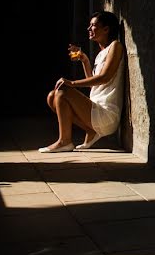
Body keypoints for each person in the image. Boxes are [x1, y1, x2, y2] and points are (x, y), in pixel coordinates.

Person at [39, 11, 124, 153]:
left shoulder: (116, 46)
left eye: (93, 25)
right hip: (95, 110)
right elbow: (94, 84)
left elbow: (105, 77)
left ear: (106, 29)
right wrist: (84, 60)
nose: (89, 29)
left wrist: (72, 84)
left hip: (106, 114)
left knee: (63, 91)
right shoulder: (100, 54)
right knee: (52, 97)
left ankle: (64, 141)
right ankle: (91, 131)